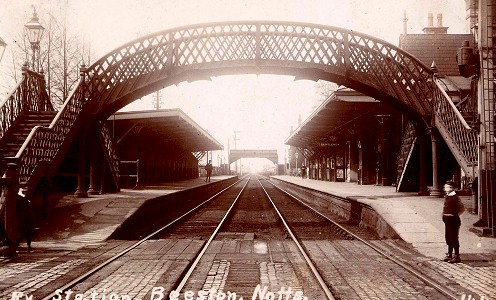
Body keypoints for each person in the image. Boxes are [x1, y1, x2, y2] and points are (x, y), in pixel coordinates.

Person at [441, 180, 464, 263]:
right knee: (448, 237)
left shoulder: (455, 197)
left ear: (452, 188)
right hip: (447, 220)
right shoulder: (447, 196)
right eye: (445, 187)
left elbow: (461, 208)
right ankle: (449, 254)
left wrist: (453, 215)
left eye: (447, 187)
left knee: (454, 238)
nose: (445, 188)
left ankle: (457, 256)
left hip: (453, 220)